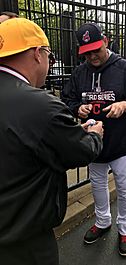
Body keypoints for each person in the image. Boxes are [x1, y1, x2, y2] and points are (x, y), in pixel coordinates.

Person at [0, 18, 104, 265]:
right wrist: (94, 135)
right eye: (50, 57)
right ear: (38, 54)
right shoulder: (40, 105)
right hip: (24, 241)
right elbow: (80, 152)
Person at [62, 22, 126, 257]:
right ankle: (103, 222)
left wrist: (125, 104)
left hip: (121, 144)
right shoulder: (80, 72)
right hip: (94, 144)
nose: (92, 56)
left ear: (106, 41)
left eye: (95, 50)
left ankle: (124, 229)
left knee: (123, 187)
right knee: (98, 186)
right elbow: (67, 99)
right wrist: (78, 108)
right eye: (86, 52)